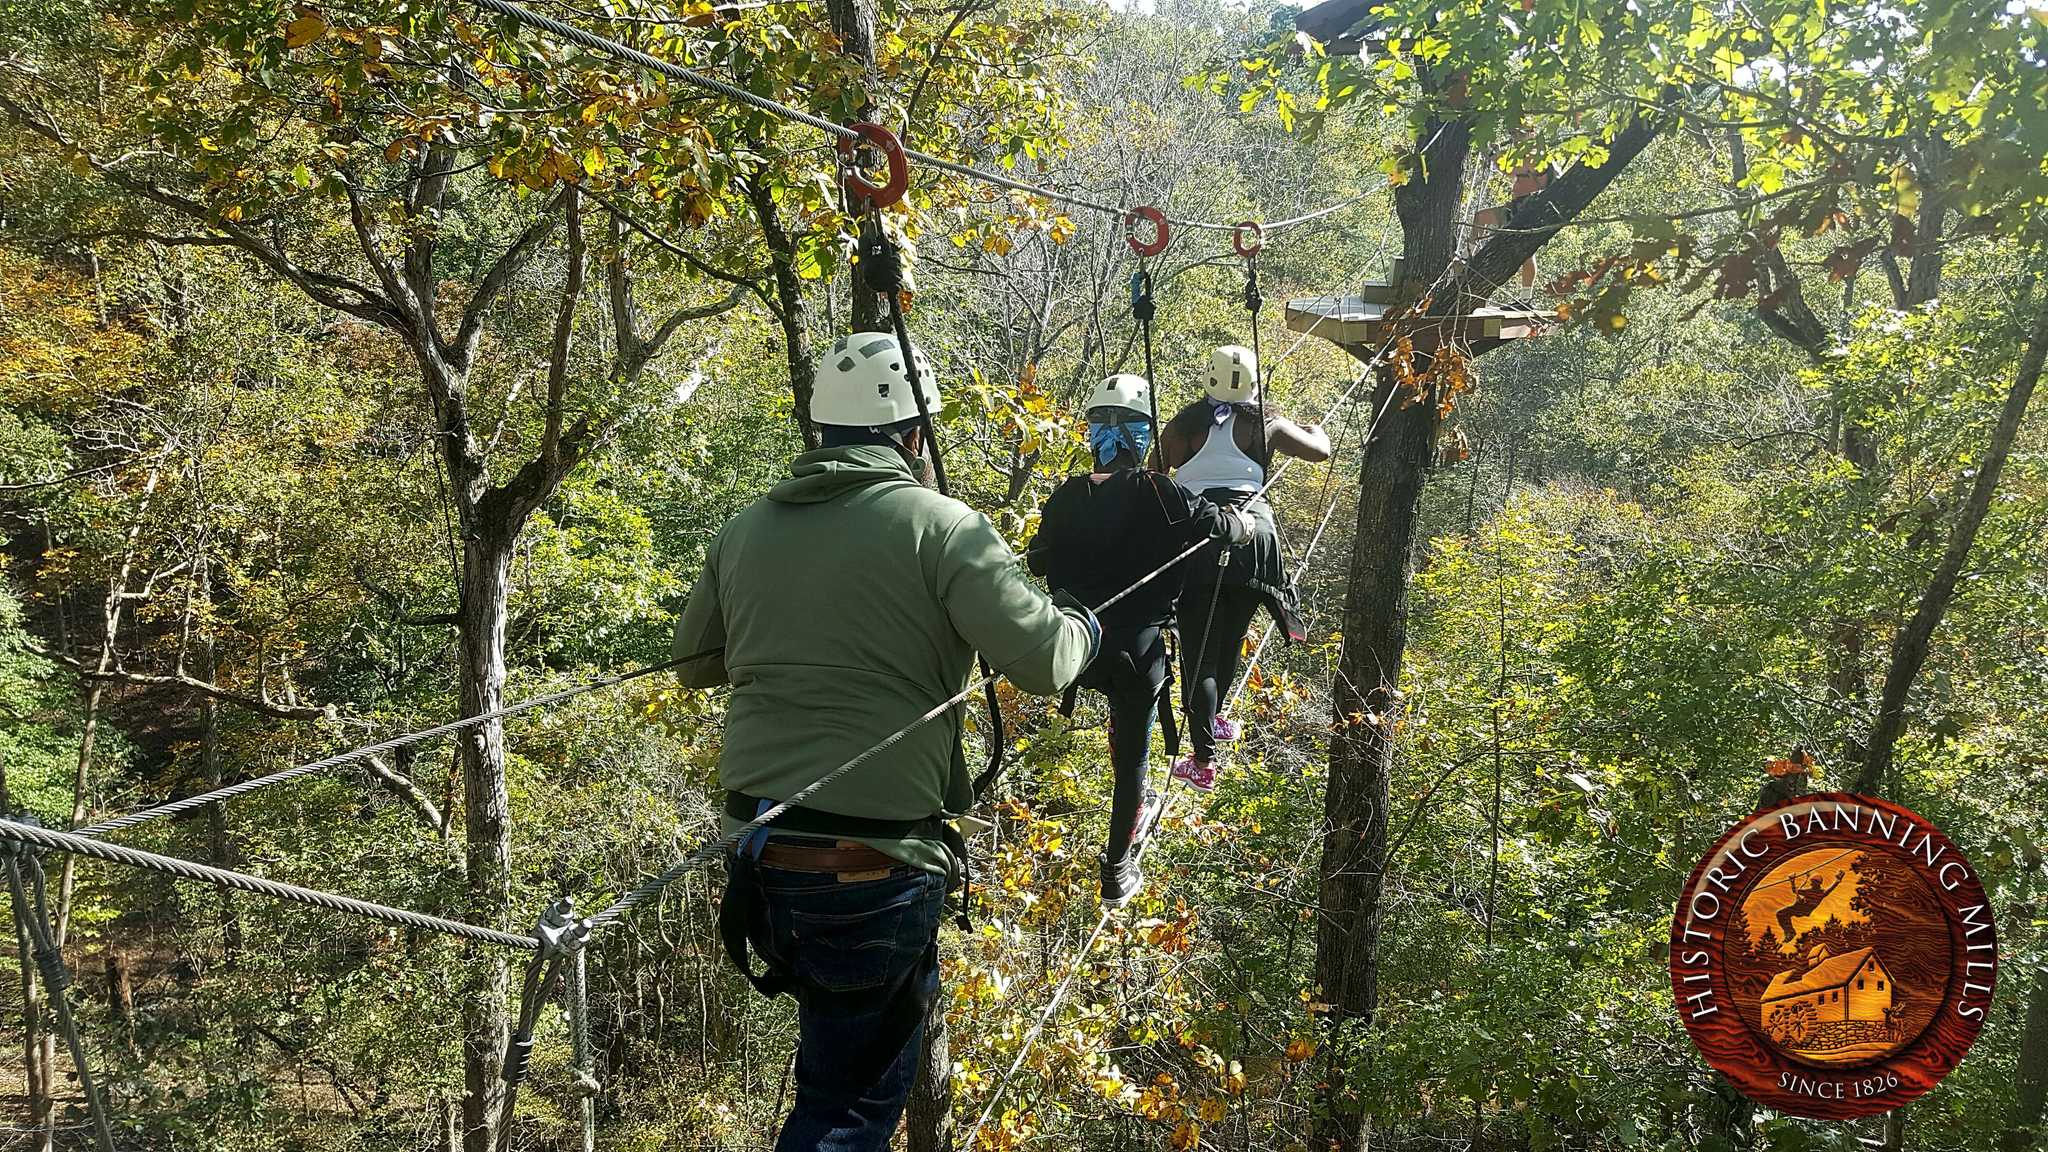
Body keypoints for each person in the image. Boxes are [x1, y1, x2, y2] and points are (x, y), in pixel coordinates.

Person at [672, 330, 1100, 1152]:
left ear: (823, 432)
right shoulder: (942, 526)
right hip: (873, 869)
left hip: (761, 856)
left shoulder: (745, 529)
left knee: (831, 1079)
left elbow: (695, 663)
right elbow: (1047, 662)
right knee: (850, 1113)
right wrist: (1083, 623)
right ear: (912, 436)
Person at [1026, 374, 1254, 905]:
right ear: (1143, 434)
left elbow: (1039, 560)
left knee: (1124, 746)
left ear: (1093, 435)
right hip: (1138, 651)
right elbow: (1220, 526)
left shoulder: (1067, 496)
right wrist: (1244, 526)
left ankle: (1128, 829)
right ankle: (1117, 868)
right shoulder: (1160, 491)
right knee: (1132, 765)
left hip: (1078, 648)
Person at [1156, 344, 1330, 792]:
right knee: (1231, 635)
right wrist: (1310, 427)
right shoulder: (1264, 425)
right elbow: (1321, 449)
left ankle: (1203, 758)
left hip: (1200, 539)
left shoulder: (1183, 427)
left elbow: (1152, 476)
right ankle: (1212, 722)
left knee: (1199, 653)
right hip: (1256, 540)